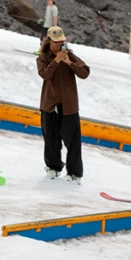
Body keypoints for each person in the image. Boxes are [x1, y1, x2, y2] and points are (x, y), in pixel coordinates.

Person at [36, 26, 90, 184]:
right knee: (50, 138)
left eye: (62, 42)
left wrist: (68, 62)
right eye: (56, 42)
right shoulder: (43, 57)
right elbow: (44, 74)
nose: (59, 45)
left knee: (72, 139)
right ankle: (53, 167)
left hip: (69, 104)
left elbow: (85, 72)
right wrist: (56, 60)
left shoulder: (70, 56)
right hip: (50, 103)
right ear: (49, 41)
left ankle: (74, 173)